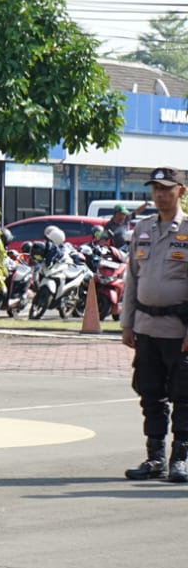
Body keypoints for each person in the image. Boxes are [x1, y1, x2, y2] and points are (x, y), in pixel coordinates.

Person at [119, 167, 188, 483]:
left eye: (166, 188)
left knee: (184, 396)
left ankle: (180, 459)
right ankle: (155, 458)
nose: (160, 194)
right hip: (146, 327)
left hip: (178, 330)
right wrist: (127, 323)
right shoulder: (143, 229)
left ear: (180, 192)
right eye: (156, 189)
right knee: (150, 395)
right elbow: (132, 278)